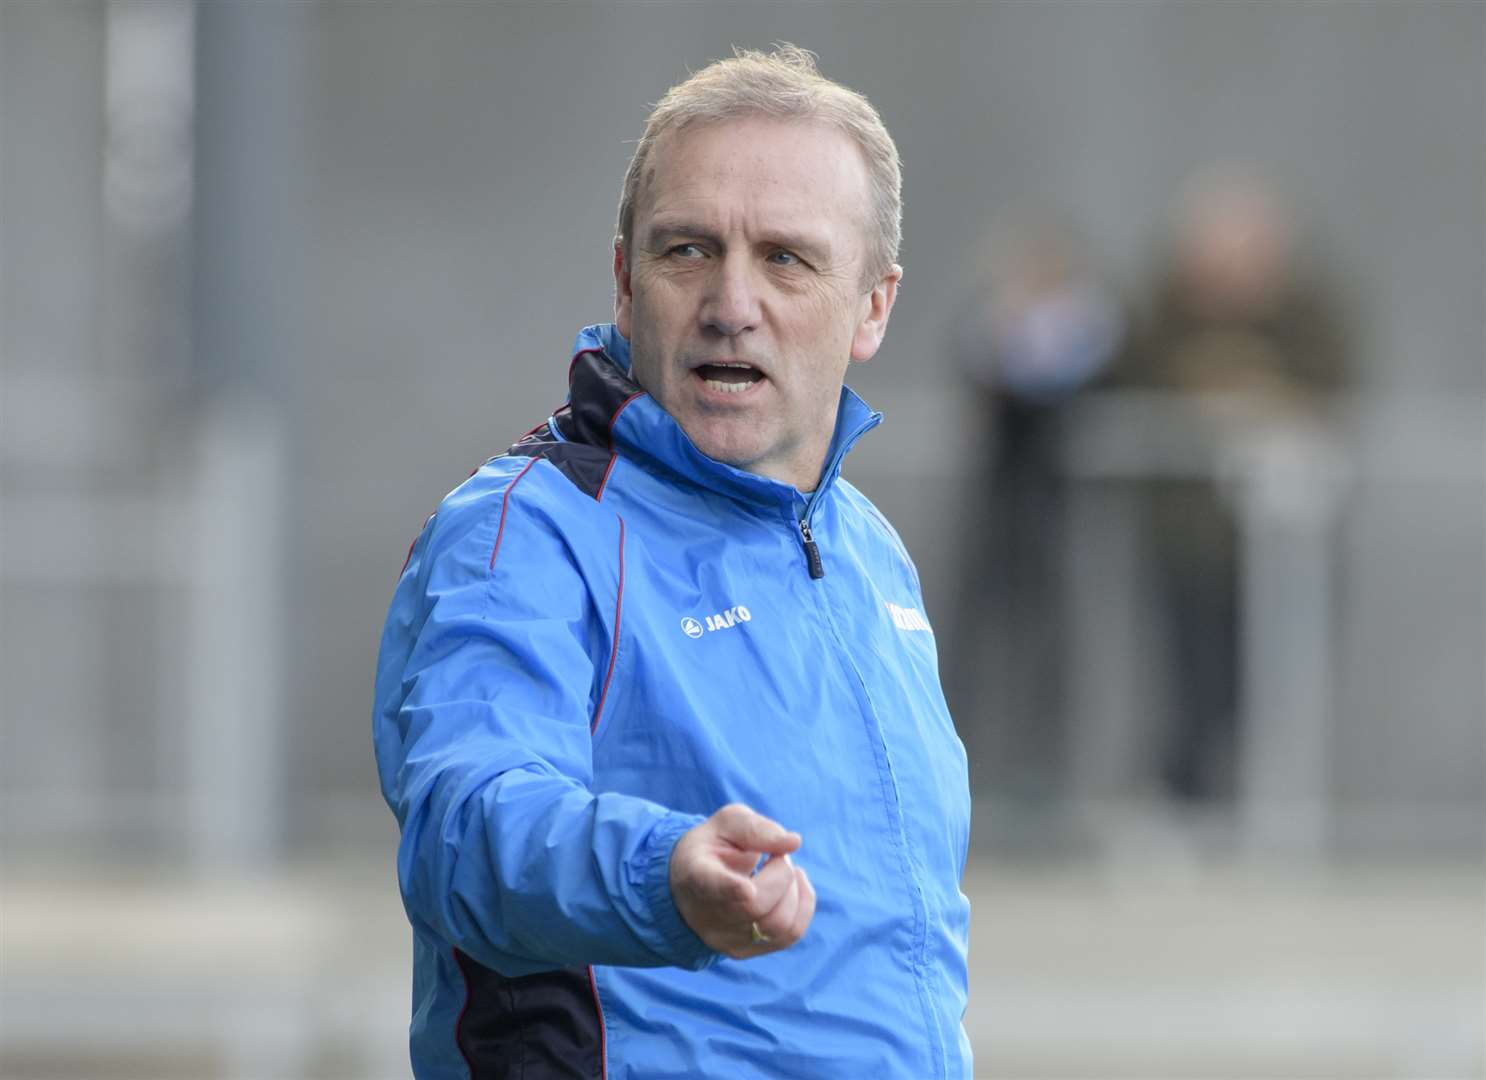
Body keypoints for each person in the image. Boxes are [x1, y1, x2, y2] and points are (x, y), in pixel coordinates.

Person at [372, 46, 971, 1079]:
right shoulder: (527, 531)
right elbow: (469, 828)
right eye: (687, 250)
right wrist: (662, 877)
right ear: (623, 278)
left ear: (873, 305)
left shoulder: (870, 551)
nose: (729, 300)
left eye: (785, 257)